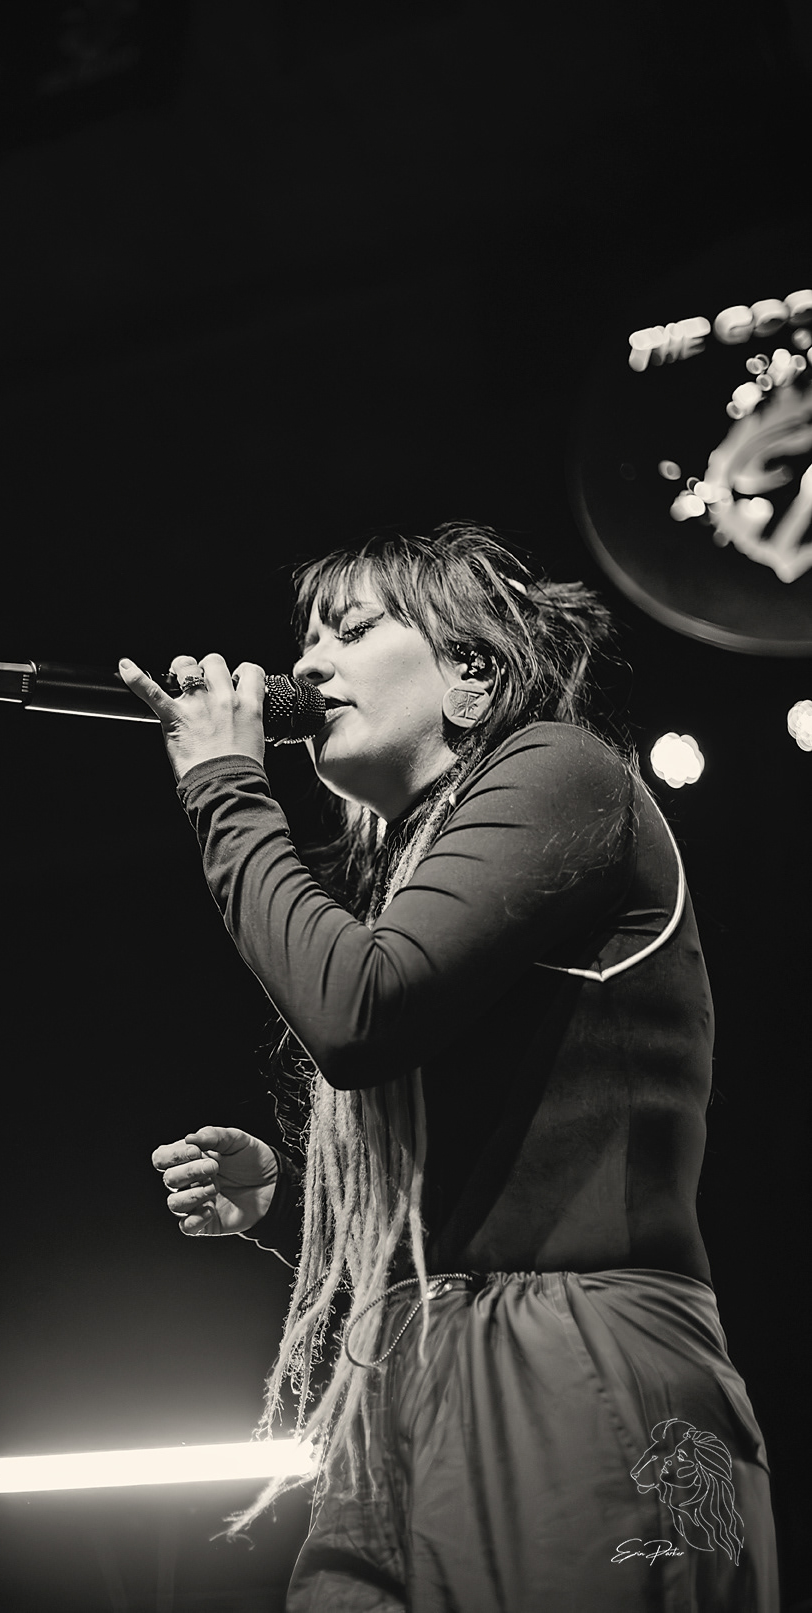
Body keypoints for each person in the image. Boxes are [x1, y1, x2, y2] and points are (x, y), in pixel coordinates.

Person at [119, 523, 778, 1612]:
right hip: (406, 1363)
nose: (306, 666)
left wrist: (227, 788)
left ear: (470, 668)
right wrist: (301, 1197)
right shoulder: (418, 857)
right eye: (304, 640)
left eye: (349, 630)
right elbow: (476, 1121)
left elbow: (359, 1012)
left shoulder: (560, 770)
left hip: (575, 1352)